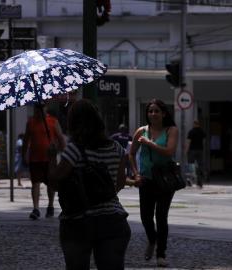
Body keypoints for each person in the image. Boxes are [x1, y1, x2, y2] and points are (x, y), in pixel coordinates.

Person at [48, 99, 130, 270]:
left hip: (78, 222)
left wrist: (51, 157)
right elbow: (120, 183)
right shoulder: (117, 149)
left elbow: (55, 183)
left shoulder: (75, 149)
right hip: (113, 221)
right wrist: (101, 195)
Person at [128, 98, 179, 267]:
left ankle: (161, 254)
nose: (153, 114)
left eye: (157, 111)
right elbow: (131, 153)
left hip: (164, 179)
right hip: (146, 179)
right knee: (145, 217)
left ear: (164, 113)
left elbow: (169, 151)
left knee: (161, 217)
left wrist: (150, 143)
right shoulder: (141, 131)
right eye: (150, 111)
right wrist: (136, 174)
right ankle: (152, 239)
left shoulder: (171, 130)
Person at [22, 103, 66, 220]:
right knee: (35, 183)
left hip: (49, 159)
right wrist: (24, 154)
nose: (39, 110)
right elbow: (26, 140)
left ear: (46, 108)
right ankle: (36, 208)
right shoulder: (30, 122)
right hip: (34, 158)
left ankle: (50, 205)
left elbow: (60, 137)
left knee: (51, 183)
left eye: (42, 107)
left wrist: (64, 153)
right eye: (37, 108)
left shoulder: (53, 121)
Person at [186, 120, 206, 188]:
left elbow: (188, 141)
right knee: (200, 166)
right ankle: (199, 182)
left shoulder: (191, 132)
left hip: (192, 150)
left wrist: (186, 150)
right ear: (199, 124)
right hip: (200, 150)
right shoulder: (202, 131)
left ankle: (189, 181)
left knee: (191, 165)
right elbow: (204, 141)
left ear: (194, 124)